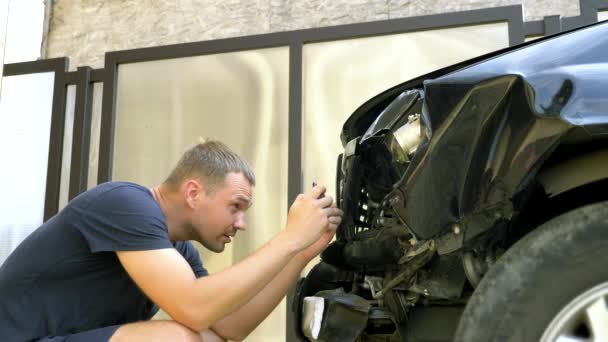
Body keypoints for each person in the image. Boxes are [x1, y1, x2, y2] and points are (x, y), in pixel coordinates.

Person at [0, 139, 343, 341]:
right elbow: (195, 308)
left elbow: (229, 327)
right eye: (235, 206)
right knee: (178, 337)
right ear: (193, 192)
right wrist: (288, 238)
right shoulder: (125, 203)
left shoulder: (177, 249)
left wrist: (299, 253)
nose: (241, 223)